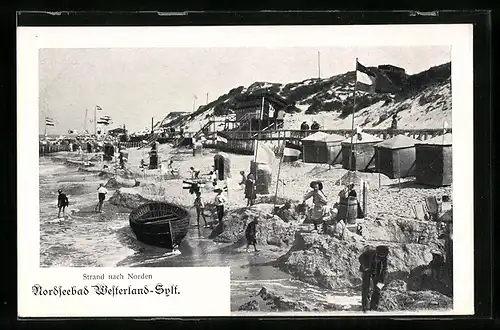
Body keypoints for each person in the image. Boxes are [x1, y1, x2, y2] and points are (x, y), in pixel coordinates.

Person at [359, 245, 389, 312]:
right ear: (377, 253)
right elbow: (360, 258)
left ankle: (374, 307)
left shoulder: (384, 257)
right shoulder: (370, 253)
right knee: (366, 288)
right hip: (366, 269)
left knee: (377, 288)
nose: (381, 257)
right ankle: (365, 306)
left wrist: (381, 283)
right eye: (380, 256)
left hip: (376, 271)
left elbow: (384, 270)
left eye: (383, 256)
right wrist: (365, 266)